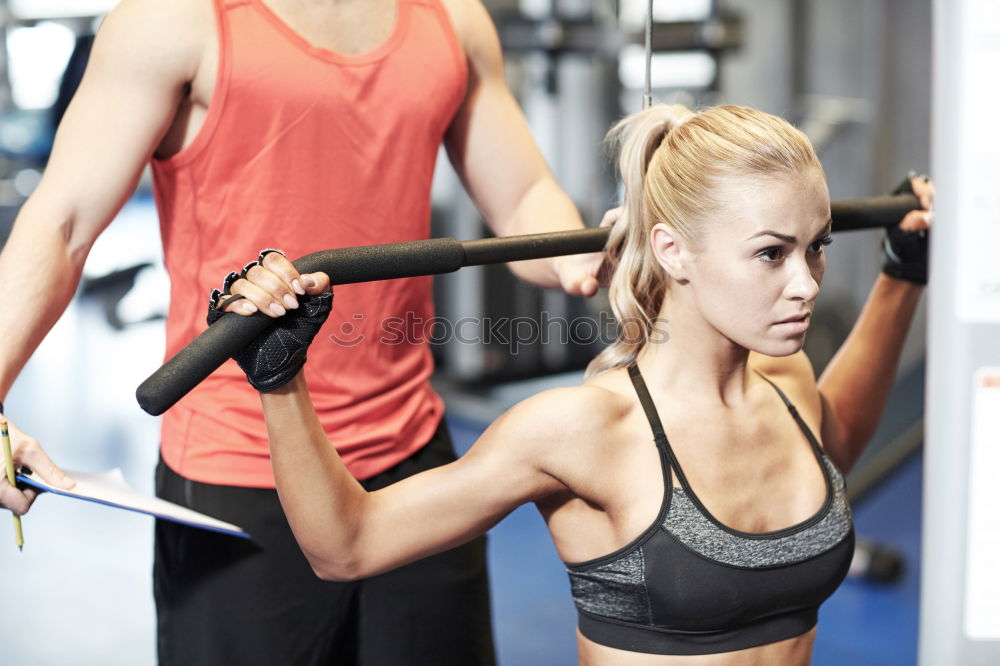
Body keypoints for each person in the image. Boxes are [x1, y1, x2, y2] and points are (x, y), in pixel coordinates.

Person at [214, 103, 933, 664]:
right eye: (771, 254)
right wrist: (281, 381)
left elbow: (832, 440)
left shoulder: (786, 381)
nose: (805, 283)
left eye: (817, 248)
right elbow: (348, 546)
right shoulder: (581, 431)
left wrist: (901, 275)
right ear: (672, 250)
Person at [0, 0, 609, 663]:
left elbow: (522, 197)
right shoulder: (173, 19)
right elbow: (61, 226)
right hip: (240, 470)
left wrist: (583, 254)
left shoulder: (452, 18)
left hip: (413, 460)